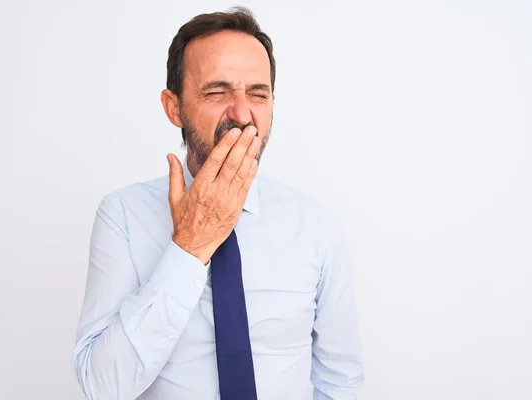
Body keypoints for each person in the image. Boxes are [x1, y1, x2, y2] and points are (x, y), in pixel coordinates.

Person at [72, 6, 364, 400]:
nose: (242, 114)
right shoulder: (123, 216)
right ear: (174, 107)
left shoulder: (315, 225)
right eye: (217, 91)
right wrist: (190, 247)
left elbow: (340, 382)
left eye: (257, 94)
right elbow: (102, 387)